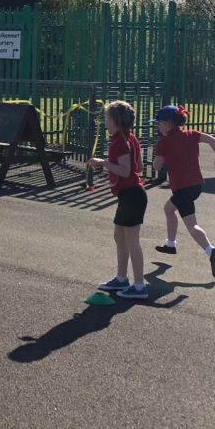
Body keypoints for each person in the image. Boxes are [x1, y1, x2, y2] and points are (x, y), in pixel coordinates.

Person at [152, 105, 215, 278]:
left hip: (182, 189)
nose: (158, 127)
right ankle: (170, 244)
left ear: (167, 124)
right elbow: (213, 140)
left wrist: (158, 157)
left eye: (159, 124)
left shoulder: (163, 143)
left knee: (191, 225)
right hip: (196, 186)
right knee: (168, 209)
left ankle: (211, 251)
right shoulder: (191, 134)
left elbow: (156, 166)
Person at [89, 100, 149, 300]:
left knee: (132, 241)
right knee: (119, 236)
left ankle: (139, 286)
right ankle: (121, 278)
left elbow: (126, 171)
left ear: (115, 121)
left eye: (107, 117)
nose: (105, 121)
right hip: (130, 194)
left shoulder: (119, 143)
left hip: (132, 195)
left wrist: (103, 162)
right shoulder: (130, 138)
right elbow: (139, 168)